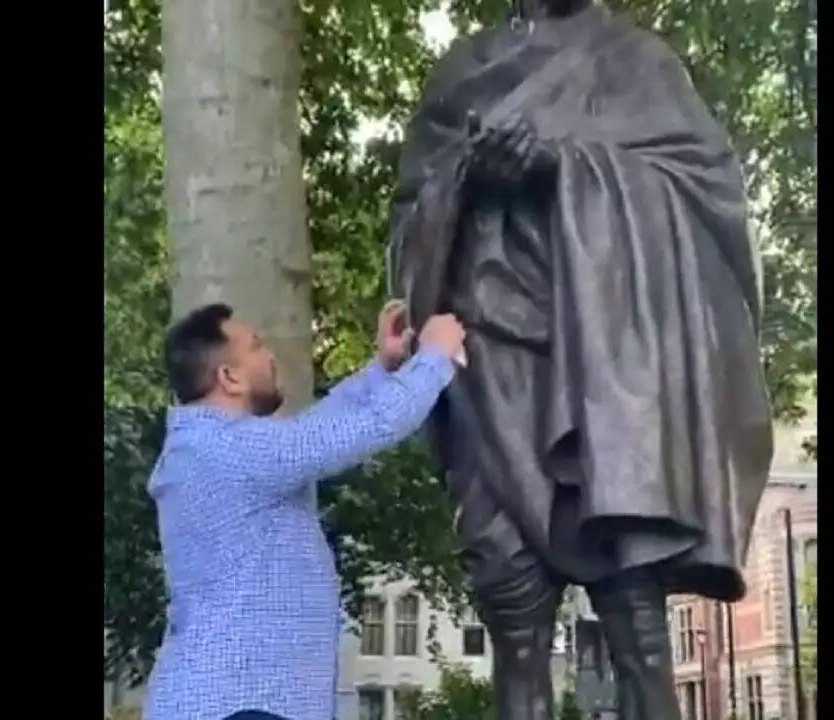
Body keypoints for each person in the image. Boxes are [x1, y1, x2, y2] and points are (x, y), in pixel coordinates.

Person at [387, 1, 773, 718]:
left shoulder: (639, 63)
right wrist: (467, 179)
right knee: (516, 632)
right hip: (491, 372)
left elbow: (710, 202)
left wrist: (563, 168)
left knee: (641, 636)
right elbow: (409, 229)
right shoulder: (463, 72)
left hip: (612, 377)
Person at [142, 300, 465, 720]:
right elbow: (371, 425)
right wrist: (436, 356)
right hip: (242, 705)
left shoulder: (212, 447)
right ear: (229, 377)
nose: (270, 356)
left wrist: (380, 370)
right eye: (256, 346)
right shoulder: (229, 450)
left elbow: (317, 431)